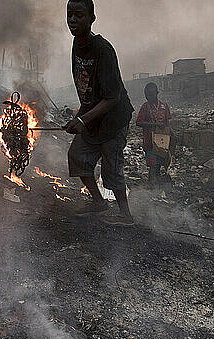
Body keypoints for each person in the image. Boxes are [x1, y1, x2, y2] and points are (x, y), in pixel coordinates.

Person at [64, 0, 135, 226]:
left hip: (113, 120)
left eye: (79, 15)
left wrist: (83, 120)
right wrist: (80, 117)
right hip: (93, 118)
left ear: (92, 18)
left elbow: (113, 97)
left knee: (111, 168)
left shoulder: (103, 49)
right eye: (69, 15)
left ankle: (126, 215)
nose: (73, 20)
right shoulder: (77, 44)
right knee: (77, 155)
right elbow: (86, 88)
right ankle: (98, 202)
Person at [136, 82, 172, 186]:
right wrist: (154, 124)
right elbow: (138, 122)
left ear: (157, 93)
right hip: (150, 142)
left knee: (160, 163)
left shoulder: (164, 106)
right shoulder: (145, 107)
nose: (148, 97)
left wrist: (171, 136)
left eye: (151, 95)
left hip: (162, 141)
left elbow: (167, 123)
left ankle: (156, 183)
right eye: (146, 95)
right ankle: (151, 186)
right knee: (152, 164)